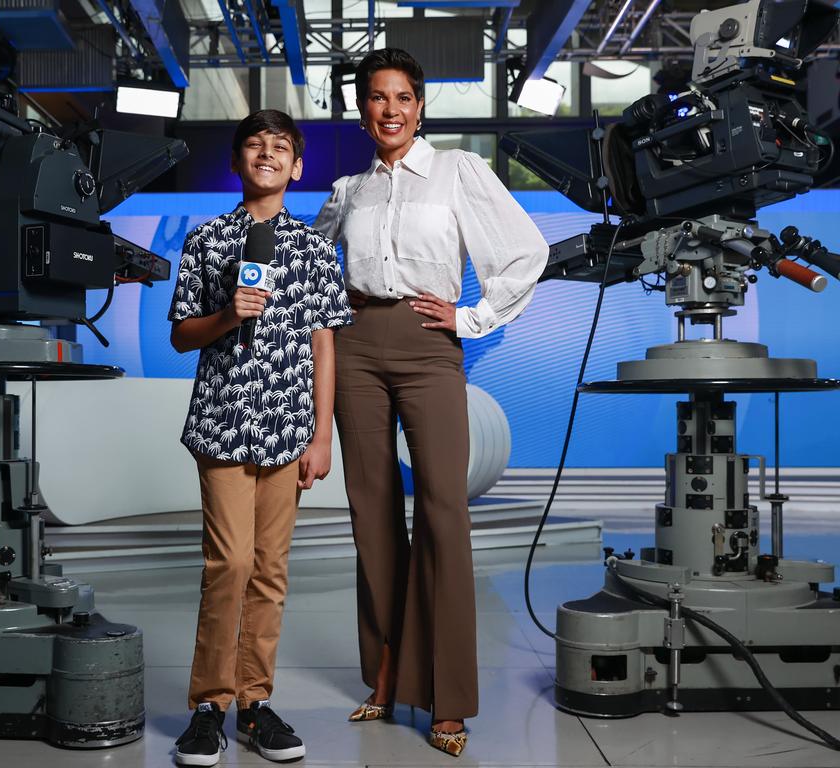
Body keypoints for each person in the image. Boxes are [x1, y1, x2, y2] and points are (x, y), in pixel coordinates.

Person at [314, 48, 549, 757]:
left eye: (402, 98)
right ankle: (386, 672)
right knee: (372, 510)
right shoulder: (347, 190)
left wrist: (471, 317)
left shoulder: (457, 172)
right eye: (376, 98)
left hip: (426, 343)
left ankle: (448, 695)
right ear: (362, 111)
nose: (390, 109)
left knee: (444, 510)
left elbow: (524, 252)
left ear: (420, 108)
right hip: (356, 346)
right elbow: (310, 268)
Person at [168, 109, 352, 766]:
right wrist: (226, 315)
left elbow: (323, 343)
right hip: (221, 422)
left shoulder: (314, 249)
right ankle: (209, 705)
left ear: (297, 166)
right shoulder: (208, 241)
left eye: (280, 146)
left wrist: (320, 433)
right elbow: (181, 333)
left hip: (288, 428)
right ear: (237, 161)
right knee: (231, 565)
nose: (267, 153)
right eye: (255, 144)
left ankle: (254, 702)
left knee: (270, 571)